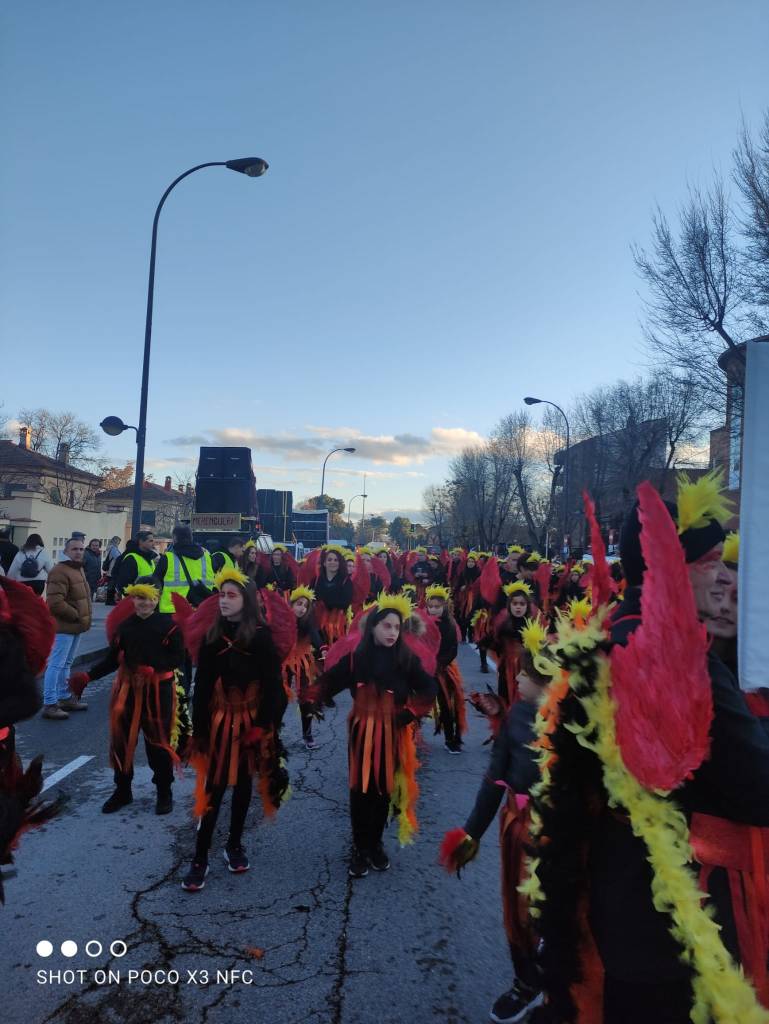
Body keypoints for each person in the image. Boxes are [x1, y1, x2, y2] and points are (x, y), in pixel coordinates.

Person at [530, 477, 769, 1024]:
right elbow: (759, 791)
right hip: (673, 913)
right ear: (670, 568)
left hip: (611, 893)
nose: (726, 577)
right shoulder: (684, 662)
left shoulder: (605, 640)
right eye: (712, 562)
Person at [441, 620, 551, 1024]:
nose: (517, 678)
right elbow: (494, 779)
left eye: (526, 674)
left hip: (561, 836)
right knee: (518, 912)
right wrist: (471, 833)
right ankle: (526, 982)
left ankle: (558, 981)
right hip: (518, 829)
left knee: (557, 914)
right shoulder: (517, 715)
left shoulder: (578, 725)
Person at [181, 568, 289, 892]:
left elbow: (275, 688)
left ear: (247, 600)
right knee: (213, 788)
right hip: (218, 722)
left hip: (250, 723)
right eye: (221, 595)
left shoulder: (262, 637)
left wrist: (263, 728)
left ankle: (234, 844)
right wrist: (199, 730)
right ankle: (200, 857)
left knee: (242, 786)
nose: (224, 601)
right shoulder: (212, 636)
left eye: (232, 595)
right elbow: (202, 686)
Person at [316, 593, 437, 878]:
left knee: (383, 789)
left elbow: (429, 688)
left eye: (397, 627)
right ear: (373, 627)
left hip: (392, 734)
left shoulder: (406, 659)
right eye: (386, 626)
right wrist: (310, 697)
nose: (392, 632)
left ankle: (375, 844)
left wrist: (409, 713)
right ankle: (359, 847)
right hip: (362, 733)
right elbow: (330, 681)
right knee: (360, 789)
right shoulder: (356, 659)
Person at [67, 577, 188, 816]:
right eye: (139, 597)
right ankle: (123, 791)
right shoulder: (125, 627)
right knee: (121, 743)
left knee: (158, 745)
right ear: (132, 598)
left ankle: (164, 792)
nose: (144, 603)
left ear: (157, 598)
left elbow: (178, 659)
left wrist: (154, 667)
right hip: (128, 692)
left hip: (158, 694)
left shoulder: (170, 626)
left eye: (149, 598)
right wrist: (88, 676)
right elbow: (113, 660)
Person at [40, 538, 92, 720]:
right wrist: (76, 615)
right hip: (64, 626)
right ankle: (50, 703)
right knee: (56, 664)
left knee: (67, 663)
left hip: (75, 625)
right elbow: (54, 602)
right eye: (74, 549)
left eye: (81, 549)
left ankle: (64, 697)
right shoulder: (59, 571)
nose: (78, 552)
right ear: (66, 551)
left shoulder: (77, 568)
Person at [425, 585, 466, 754]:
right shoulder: (422, 623)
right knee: (415, 702)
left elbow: (452, 649)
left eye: (437, 606)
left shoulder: (449, 624)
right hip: (425, 668)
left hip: (443, 669)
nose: (434, 610)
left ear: (445, 606)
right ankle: (410, 737)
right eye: (431, 606)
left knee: (447, 704)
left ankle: (451, 738)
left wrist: (439, 665)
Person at [283, 586, 325, 749]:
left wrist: (322, 648)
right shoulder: (284, 620)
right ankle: (273, 732)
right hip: (285, 660)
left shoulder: (308, 621)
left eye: (306, 606)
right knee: (280, 697)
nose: (302, 608)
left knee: (306, 697)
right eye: (299, 604)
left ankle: (307, 735)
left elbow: (314, 635)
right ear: (292, 604)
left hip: (303, 660)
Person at [154, 526, 214, 613]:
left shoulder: (167, 558)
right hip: (202, 611)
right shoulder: (207, 557)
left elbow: (155, 585)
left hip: (172, 611)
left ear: (175, 538)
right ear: (191, 537)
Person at [312, 545, 354, 645]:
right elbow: (312, 598)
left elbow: (345, 603)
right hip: (318, 625)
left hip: (337, 626)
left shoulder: (346, 581)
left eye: (336, 560)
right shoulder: (316, 580)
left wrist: (325, 601)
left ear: (340, 563)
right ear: (324, 563)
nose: (333, 562)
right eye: (329, 560)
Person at [113, 531, 157, 597]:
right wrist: (136, 599)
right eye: (150, 541)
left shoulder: (150, 558)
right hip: (136, 600)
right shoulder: (131, 559)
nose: (153, 543)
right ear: (141, 542)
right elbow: (124, 585)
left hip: (148, 599)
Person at [103, 536, 123, 605]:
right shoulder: (113, 548)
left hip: (111, 570)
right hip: (112, 570)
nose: (119, 543)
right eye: (118, 542)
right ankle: (110, 600)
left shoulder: (110, 548)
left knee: (111, 585)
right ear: (115, 541)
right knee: (112, 585)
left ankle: (110, 600)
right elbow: (118, 557)